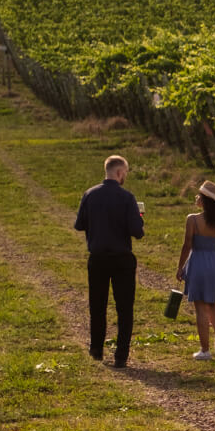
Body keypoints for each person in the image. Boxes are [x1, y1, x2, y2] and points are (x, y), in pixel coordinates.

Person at [75, 154, 144, 367]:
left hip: (97, 258)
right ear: (119, 172)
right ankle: (121, 355)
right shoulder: (127, 198)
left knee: (97, 305)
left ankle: (96, 349)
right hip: (122, 258)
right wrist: (139, 220)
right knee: (124, 308)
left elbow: (79, 225)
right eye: (126, 173)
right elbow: (137, 232)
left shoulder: (90, 195)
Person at [176, 180, 215, 360]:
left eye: (199, 195)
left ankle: (205, 350)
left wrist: (180, 267)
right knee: (212, 304)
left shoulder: (193, 219)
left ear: (204, 200)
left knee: (200, 307)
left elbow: (187, 245)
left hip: (198, 262)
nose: (196, 197)